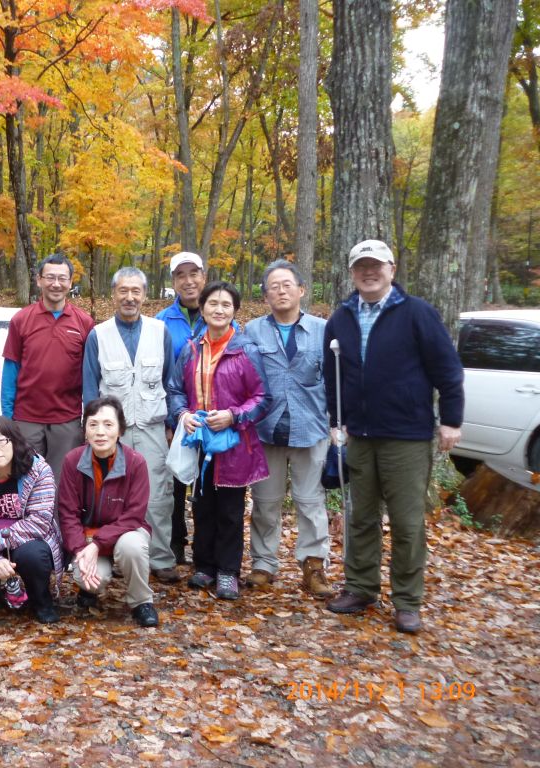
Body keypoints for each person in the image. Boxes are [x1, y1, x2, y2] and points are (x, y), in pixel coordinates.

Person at [324, 240, 464, 634]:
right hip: (360, 435)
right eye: (361, 267)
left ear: (392, 268)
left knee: (406, 523)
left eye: (376, 265)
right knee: (361, 518)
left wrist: (451, 419)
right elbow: (333, 377)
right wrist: (337, 420)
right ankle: (361, 586)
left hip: (406, 434)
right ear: (352, 272)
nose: (369, 272)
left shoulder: (417, 313)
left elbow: (447, 370)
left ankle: (407, 601)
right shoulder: (342, 319)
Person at [168, 281, 270, 600]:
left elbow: (263, 396)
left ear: (234, 311)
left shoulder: (245, 348)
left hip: (234, 445)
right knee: (201, 504)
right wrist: (183, 414)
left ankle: (228, 571)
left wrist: (234, 415)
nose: (219, 309)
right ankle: (204, 566)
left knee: (229, 508)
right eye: (213, 303)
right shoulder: (191, 348)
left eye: (226, 304)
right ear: (203, 307)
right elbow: (174, 390)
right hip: (198, 441)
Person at [82, 266, 179, 584]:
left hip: (151, 427)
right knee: (111, 497)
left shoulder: (159, 331)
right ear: (114, 294)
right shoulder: (98, 335)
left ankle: (161, 558)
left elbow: (169, 380)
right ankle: (118, 556)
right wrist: (95, 431)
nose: (129, 297)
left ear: (145, 294)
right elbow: (90, 389)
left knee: (158, 497)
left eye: (136, 291)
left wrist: (169, 423)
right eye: (123, 290)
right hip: (112, 433)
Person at [244, 261, 332, 598]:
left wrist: (338, 423)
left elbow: (333, 380)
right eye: (273, 286)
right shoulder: (253, 331)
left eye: (286, 285)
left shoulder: (323, 331)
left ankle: (313, 564)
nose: (280, 291)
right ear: (265, 295)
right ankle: (264, 563)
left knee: (310, 502)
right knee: (266, 502)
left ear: (301, 290)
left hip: (311, 428)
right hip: (265, 430)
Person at [59, 397, 159, 627]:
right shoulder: (72, 461)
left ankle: (141, 601)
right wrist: (80, 549)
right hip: (88, 535)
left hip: (127, 532)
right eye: (93, 424)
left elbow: (134, 515)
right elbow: (67, 513)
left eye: (108, 424)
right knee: (90, 580)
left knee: (132, 547)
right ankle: (90, 591)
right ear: (85, 430)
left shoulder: (135, 463)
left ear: (120, 429)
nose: (100, 432)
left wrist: (96, 545)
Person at [0, 416, 63, 624]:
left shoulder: (39, 471)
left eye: (0, 441)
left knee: (32, 556)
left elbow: (39, 523)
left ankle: (41, 599)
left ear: (14, 442)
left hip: (28, 541)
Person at [2, 254, 94, 486]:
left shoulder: (84, 323)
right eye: (50, 277)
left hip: (67, 420)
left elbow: (90, 375)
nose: (56, 283)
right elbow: (11, 370)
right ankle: (28, 524)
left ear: (71, 282)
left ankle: (59, 525)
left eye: (62, 278)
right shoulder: (21, 320)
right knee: (25, 482)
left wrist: (89, 417)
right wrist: (8, 417)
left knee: (63, 483)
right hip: (26, 420)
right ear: (39, 280)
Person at [156, 251, 208, 565]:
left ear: (204, 275)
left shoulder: (218, 311)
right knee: (174, 485)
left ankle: (204, 550)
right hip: (175, 418)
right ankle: (175, 543)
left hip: (213, 420)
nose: (188, 281)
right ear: (174, 281)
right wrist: (167, 419)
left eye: (194, 273)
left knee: (206, 488)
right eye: (181, 275)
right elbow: (159, 374)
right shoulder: (162, 321)